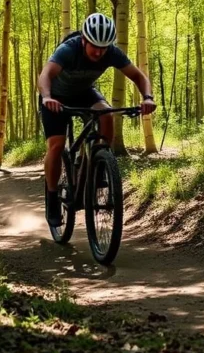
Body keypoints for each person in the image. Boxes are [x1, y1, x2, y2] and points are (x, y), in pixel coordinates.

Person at [37, 13, 156, 225]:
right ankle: (53, 196)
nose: (99, 52)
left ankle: (99, 164)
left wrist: (147, 98)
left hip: (84, 92)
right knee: (56, 145)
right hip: (55, 97)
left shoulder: (111, 53)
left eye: (104, 47)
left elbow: (139, 76)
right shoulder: (68, 50)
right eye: (94, 47)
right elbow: (45, 74)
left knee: (107, 114)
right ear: (84, 40)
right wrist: (47, 97)